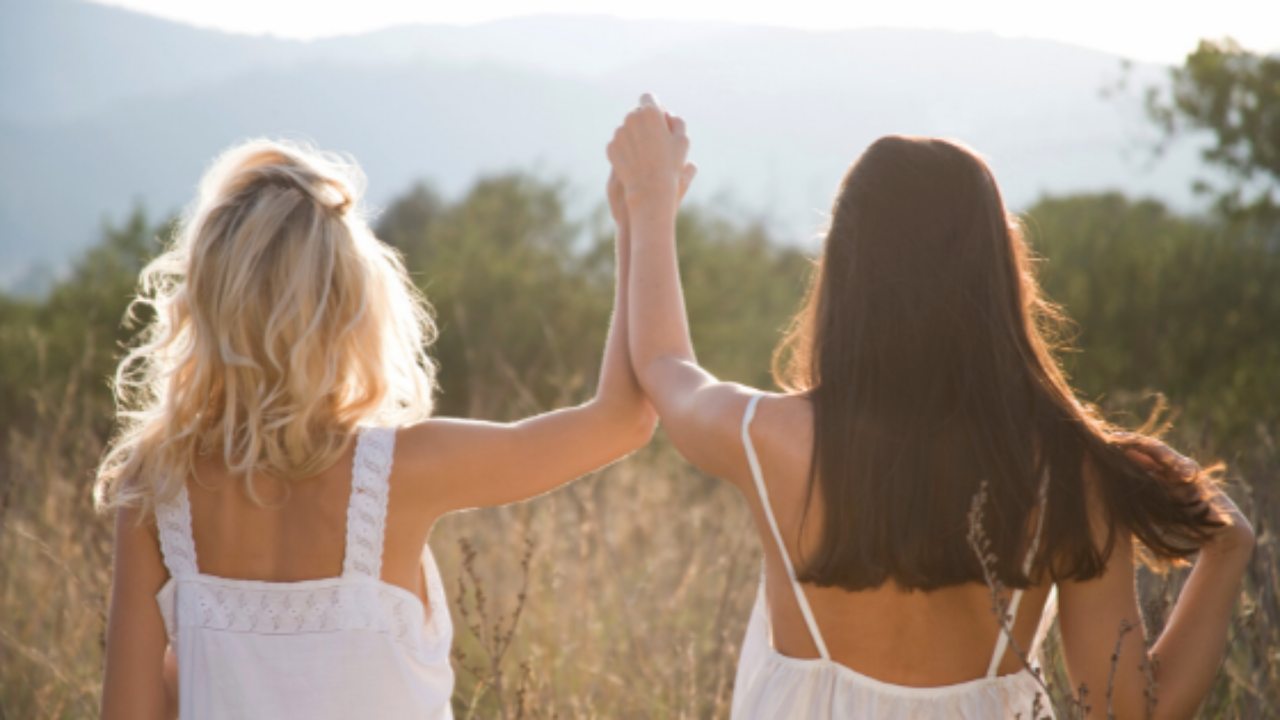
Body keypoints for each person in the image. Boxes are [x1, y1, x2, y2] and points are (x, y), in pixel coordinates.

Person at [607, 94, 1254, 719]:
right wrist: (1229, 553)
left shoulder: (770, 438)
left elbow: (663, 366)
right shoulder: (1071, 476)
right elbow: (1127, 712)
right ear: (999, 272)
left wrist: (648, 202)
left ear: (845, 269)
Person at [95, 139, 664, 720]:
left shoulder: (158, 485)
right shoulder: (401, 470)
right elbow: (625, 419)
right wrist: (642, 216)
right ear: (349, 304)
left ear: (207, 306)